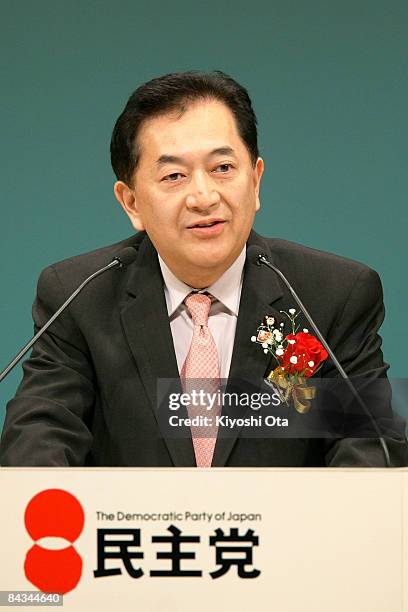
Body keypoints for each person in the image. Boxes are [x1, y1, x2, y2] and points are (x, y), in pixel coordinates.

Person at [1, 71, 407, 467]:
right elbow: (40, 435)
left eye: (222, 168)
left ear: (256, 180)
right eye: (174, 175)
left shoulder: (330, 296)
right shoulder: (80, 297)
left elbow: (368, 445)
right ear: (131, 203)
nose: (203, 196)